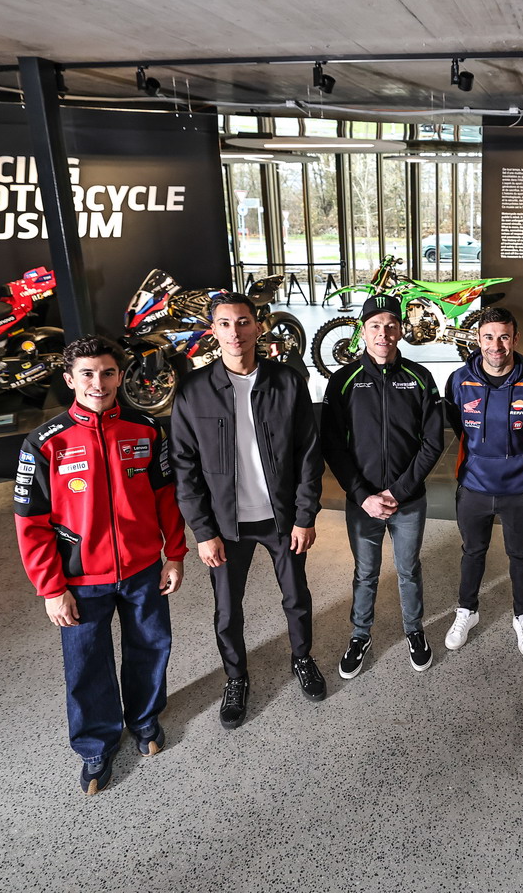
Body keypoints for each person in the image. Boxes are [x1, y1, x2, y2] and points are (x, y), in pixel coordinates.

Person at [13, 336, 186, 795]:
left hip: (143, 569)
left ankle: (145, 721)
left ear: (120, 377)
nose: (99, 383)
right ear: (69, 380)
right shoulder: (44, 442)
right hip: (79, 580)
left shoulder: (146, 429)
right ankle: (95, 745)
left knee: (150, 647)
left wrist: (174, 554)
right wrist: (51, 588)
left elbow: (166, 497)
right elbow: (30, 522)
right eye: (87, 374)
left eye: (108, 373)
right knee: (86, 664)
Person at [169, 292, 327, 731]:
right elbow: (184, 468)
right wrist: (203, 531)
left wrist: (305, 516)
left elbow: (308, 454)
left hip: (281, 520)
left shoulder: (287, 381)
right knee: (227, 609)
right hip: (225, 526)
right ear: (213, 331)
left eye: (243, 322)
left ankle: (302, 658)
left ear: (258, 327)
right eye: (225, 323)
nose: (235, 332)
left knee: (296, 597)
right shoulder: (194, 391)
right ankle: (236, 677)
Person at [320, 294, 445, 678]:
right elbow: (332, 445)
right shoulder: (343, 381)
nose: (383, 333)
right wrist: (363, 496)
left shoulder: (420, 378)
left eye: (391, 325)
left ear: (400, 331)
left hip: (408, 501)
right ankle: (360, 635)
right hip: (363, 503)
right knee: (365, 572)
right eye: (375, 325)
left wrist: (398, 492)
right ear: (363, 331)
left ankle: (414, 630)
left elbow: (433, 442)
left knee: (408, 570)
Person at [442, 307, 523, 657]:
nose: (496, 345)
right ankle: (467, 610)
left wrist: (519, 461)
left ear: (515, 339)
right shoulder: (458, 381)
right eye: (489, 337)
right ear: (478, 339)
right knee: (472, 551)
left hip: (519, 488)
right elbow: (457, 426)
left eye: (504, 337)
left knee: (520, 554)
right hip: (473, 485)